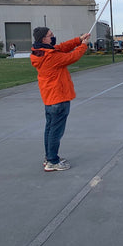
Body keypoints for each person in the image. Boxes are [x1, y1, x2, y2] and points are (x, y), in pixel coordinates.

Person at [30, 27, 91, 172]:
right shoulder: (50, 57)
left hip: (50, 98)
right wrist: (83, 46)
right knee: (55, 132)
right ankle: (52, 161)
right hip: (58, 97)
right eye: (50, 36)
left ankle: (49, 157)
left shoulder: (42, 52)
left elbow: (62, 47)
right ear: (43, 39)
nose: (53, 37)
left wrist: (78, 39)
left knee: (50, 129)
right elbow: (71, 57)